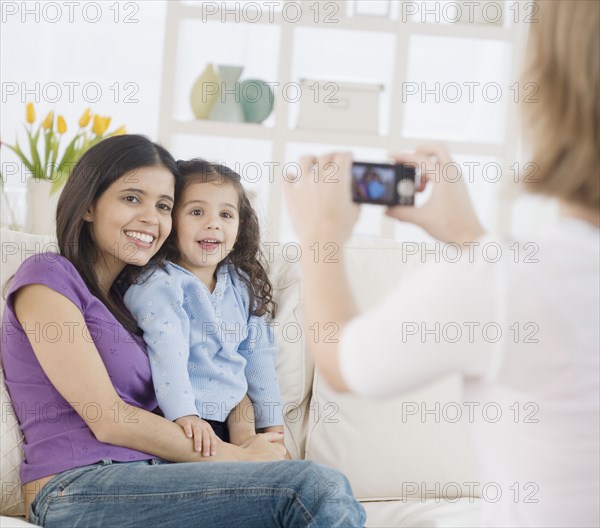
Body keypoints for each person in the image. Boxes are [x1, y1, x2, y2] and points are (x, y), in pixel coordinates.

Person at [283, 1, 599, 527]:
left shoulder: (502, 284)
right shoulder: (510, 279)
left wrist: (320, 236)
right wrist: (468, 236)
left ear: (552, 90)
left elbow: (343, 363)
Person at [0, 135, 366, 527]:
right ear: (89, 205)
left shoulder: (139, 299)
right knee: (310, 488)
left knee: (327, 492)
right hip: (75, 485)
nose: (150, 219)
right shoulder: (47, 278)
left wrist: (250, 436)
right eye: (131, 198)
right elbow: (108, 418)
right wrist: (239, 458)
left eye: (163, 206)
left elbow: (217, 370)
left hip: (157, 475)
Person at [123, 159, 286, 457]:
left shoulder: (240, 283)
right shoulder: (161, 283)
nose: (213, 223)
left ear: (241, 226)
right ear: (172, 223)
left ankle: (253, 453)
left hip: (236, 409)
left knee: (271, 450)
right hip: (185, 416)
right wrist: (185, 415)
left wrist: (272, 423)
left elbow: (258, 354)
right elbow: (167, 350)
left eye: (226, 214)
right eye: (197, 212)